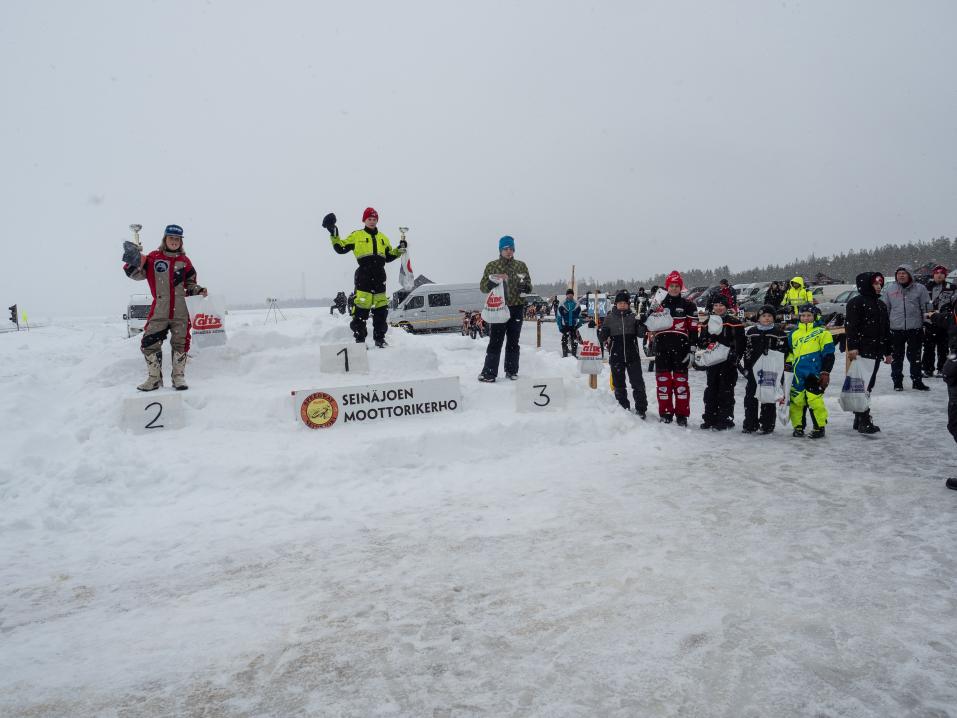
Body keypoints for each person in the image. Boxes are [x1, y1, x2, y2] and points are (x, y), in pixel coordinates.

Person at [122, 224, 208, 391]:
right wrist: (132, 257)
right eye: (171, 238)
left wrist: (199, 290)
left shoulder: (185, 261)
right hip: (160, 309)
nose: (174, 242)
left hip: (181, 311)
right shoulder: (153, 258)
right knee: (149, 342)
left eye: (177, 239)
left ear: (181, 242)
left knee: (180, 344)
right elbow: (135, 274)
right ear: (165, 239)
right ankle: (154, 379)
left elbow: (190, 284)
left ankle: (178, 378)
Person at [323, 207, 406, 348]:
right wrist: (333, 230)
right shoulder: (357, 236)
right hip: (364, 276)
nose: (372, 222)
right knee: (361, 310)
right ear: (364, 220)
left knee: (381, 311)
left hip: (380, 277)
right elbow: (340, 248)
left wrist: (399, 249)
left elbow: (389, 257)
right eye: (369, 219)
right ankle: (360, 341)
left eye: (374, 219)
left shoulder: (383, 238)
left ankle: (380, 339)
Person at [644, 271, 698, 425]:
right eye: (671, 286)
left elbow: (693, 330)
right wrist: (649, 311)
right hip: (662, 348)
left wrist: (692, 350)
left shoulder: (689, 305)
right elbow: (647, 322)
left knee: (681, 384)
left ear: (681, 287)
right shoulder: (658, 303)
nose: (674, 289)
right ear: (667, 287)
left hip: (681, 348)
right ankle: (666, 413)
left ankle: (682, 415)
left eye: (677, 286)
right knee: (663, 383)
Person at [478, 236, 532, 382]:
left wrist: (525, 287)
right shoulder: (492, 266)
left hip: (517, 308)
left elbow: (528, 286)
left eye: (511, 249)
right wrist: (493, 281)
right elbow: (483, 287)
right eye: (505, 249)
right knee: (495, 341)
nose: (509, 251)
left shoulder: (521, 266)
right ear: (500, 250)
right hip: (499, 309)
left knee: (513, 342)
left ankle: (512, 371)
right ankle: (489, 373)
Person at [844, 272, 893, 434]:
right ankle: (864, 418)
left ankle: (859, 417)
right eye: (875, 283)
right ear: (866, 285)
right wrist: (853, 347)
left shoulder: (881, 305)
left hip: (876, 350)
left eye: (880, 283)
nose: (879, 286)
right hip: (862, 350)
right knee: (861, 385)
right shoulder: (856, 303)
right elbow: (851, 328)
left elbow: (886, 330)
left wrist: (888, 351)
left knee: (868, 384)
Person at [785, 304, 835, 439]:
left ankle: (819, 427)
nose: (805, 318)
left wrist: (825, 372)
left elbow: (829, 354)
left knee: (815, 401)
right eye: (802, 315)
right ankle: (798, 427)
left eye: (809, 315)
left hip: (815, 373)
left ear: (815, 316)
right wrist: (788, 367)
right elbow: (790, 353)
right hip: (797, 373)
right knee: (797, 401)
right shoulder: (793, 334)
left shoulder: (823, 333)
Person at [697, 295, 745, 430]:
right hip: (712, 362)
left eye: (721, 305)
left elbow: (740, 343)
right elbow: (702, 342)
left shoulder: (734, 322)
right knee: (711, 390)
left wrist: (735, 355)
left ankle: (725, 419)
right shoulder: (707, 322)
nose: (718, 308)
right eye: (716, 305)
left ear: (726, 307)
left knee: (726, 391)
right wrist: (707, 342)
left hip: (728, 364)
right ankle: (710, 418)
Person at [882, 263, 931, 391]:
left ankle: (917, 381)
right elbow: (885, 309)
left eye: (904, 273)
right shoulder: (890, 289)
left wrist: (927, 324)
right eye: (899, 274)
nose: (901, 276)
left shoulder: (920, 288)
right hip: (895, 329)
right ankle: (897, 382)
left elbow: (926, 308)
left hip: (915, 328)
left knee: (915, 357)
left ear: (910, 275)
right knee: (897, 357)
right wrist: (885, 326)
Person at [599, 290, 648, 418]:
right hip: (616, 356)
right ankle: (623, 407)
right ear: (615, 304)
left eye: (624, 303)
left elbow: (641, 334)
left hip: (633, 356)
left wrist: (642, 323)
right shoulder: (609, 318)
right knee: (619, 384)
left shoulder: (633, 317)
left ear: (628, 304)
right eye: (619, 303)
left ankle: (641, 409)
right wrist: (602, 330)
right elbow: (603, 337)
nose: (622, 305)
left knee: (638, 384)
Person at [741, 305, 788, 434]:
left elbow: (784, 352)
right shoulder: (752, 332)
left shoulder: (779, 333)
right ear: (759, 318)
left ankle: (767, 424)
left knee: (768, 397)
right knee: (751, 397)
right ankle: (750, 424)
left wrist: (774, 353)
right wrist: (747, 367)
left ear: (773, 318)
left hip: (771, 370)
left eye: (769, 316)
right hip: (754, 370)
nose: (766, 319)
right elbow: (748, 351)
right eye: (764, 316)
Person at [930, 301, 957, 443]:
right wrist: (933, 315)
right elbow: (944, 318)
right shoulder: (951, 317)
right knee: (953, 424)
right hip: (953, 370)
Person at [923, 265, 956, 377]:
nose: (939, 274)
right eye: (937, 272)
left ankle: (942, 369)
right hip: (929, 322)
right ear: (933, 274)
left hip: (944, 323)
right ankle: (927, 369)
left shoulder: (951, 287)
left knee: (943, 349)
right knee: (928, 348)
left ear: (945, 275)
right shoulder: (926, 287)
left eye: (942, 273)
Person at [556, 288, 582, 357]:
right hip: (565, 325)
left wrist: (579, 325)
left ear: (573, 295)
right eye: (568, 294)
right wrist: (560, 326)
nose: (570, 296)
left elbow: (579, 316)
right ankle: (565, 355)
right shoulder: (562, 304)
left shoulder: (577, 304)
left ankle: (574, 355)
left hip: (574, 325)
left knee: (575, 340)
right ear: (566, 295)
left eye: (571, 294)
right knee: (564, 340)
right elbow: (558, 316)